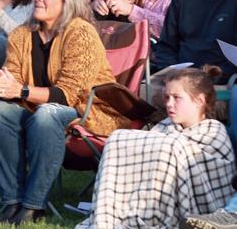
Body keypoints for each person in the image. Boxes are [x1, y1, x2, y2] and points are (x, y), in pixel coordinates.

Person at [0, 0, 126, 224]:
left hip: (85, 110)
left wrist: (19, 90)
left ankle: (34, 203)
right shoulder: (21, 34)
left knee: (47, 115)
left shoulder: (81, 33)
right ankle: (12, 198)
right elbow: (13, 77)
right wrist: (3, 85)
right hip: (33, 105)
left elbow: (67, 94)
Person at [80, 67, 234, 227]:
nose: (169, 104)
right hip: (145, 200)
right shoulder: (164, 126)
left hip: (200, 205)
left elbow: (212, 172)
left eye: (176, 98)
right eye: (166, 97)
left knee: (171, 145)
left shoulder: (214, 131)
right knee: (117, 138)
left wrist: (175, 148)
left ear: (199, 101)